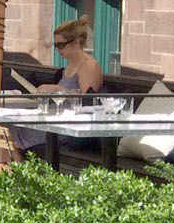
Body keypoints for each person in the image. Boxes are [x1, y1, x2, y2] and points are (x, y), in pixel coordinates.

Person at [13, 16, 105, 154]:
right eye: (55, 45)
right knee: (14, 127)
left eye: (61, 45)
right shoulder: (70, 64)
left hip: (71, 126)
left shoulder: (89, 66)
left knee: (18, 132)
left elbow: (86, 101)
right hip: (58, 118)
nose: (57, 49)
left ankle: (23, 167)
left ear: (76, 42)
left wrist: (57, 89)